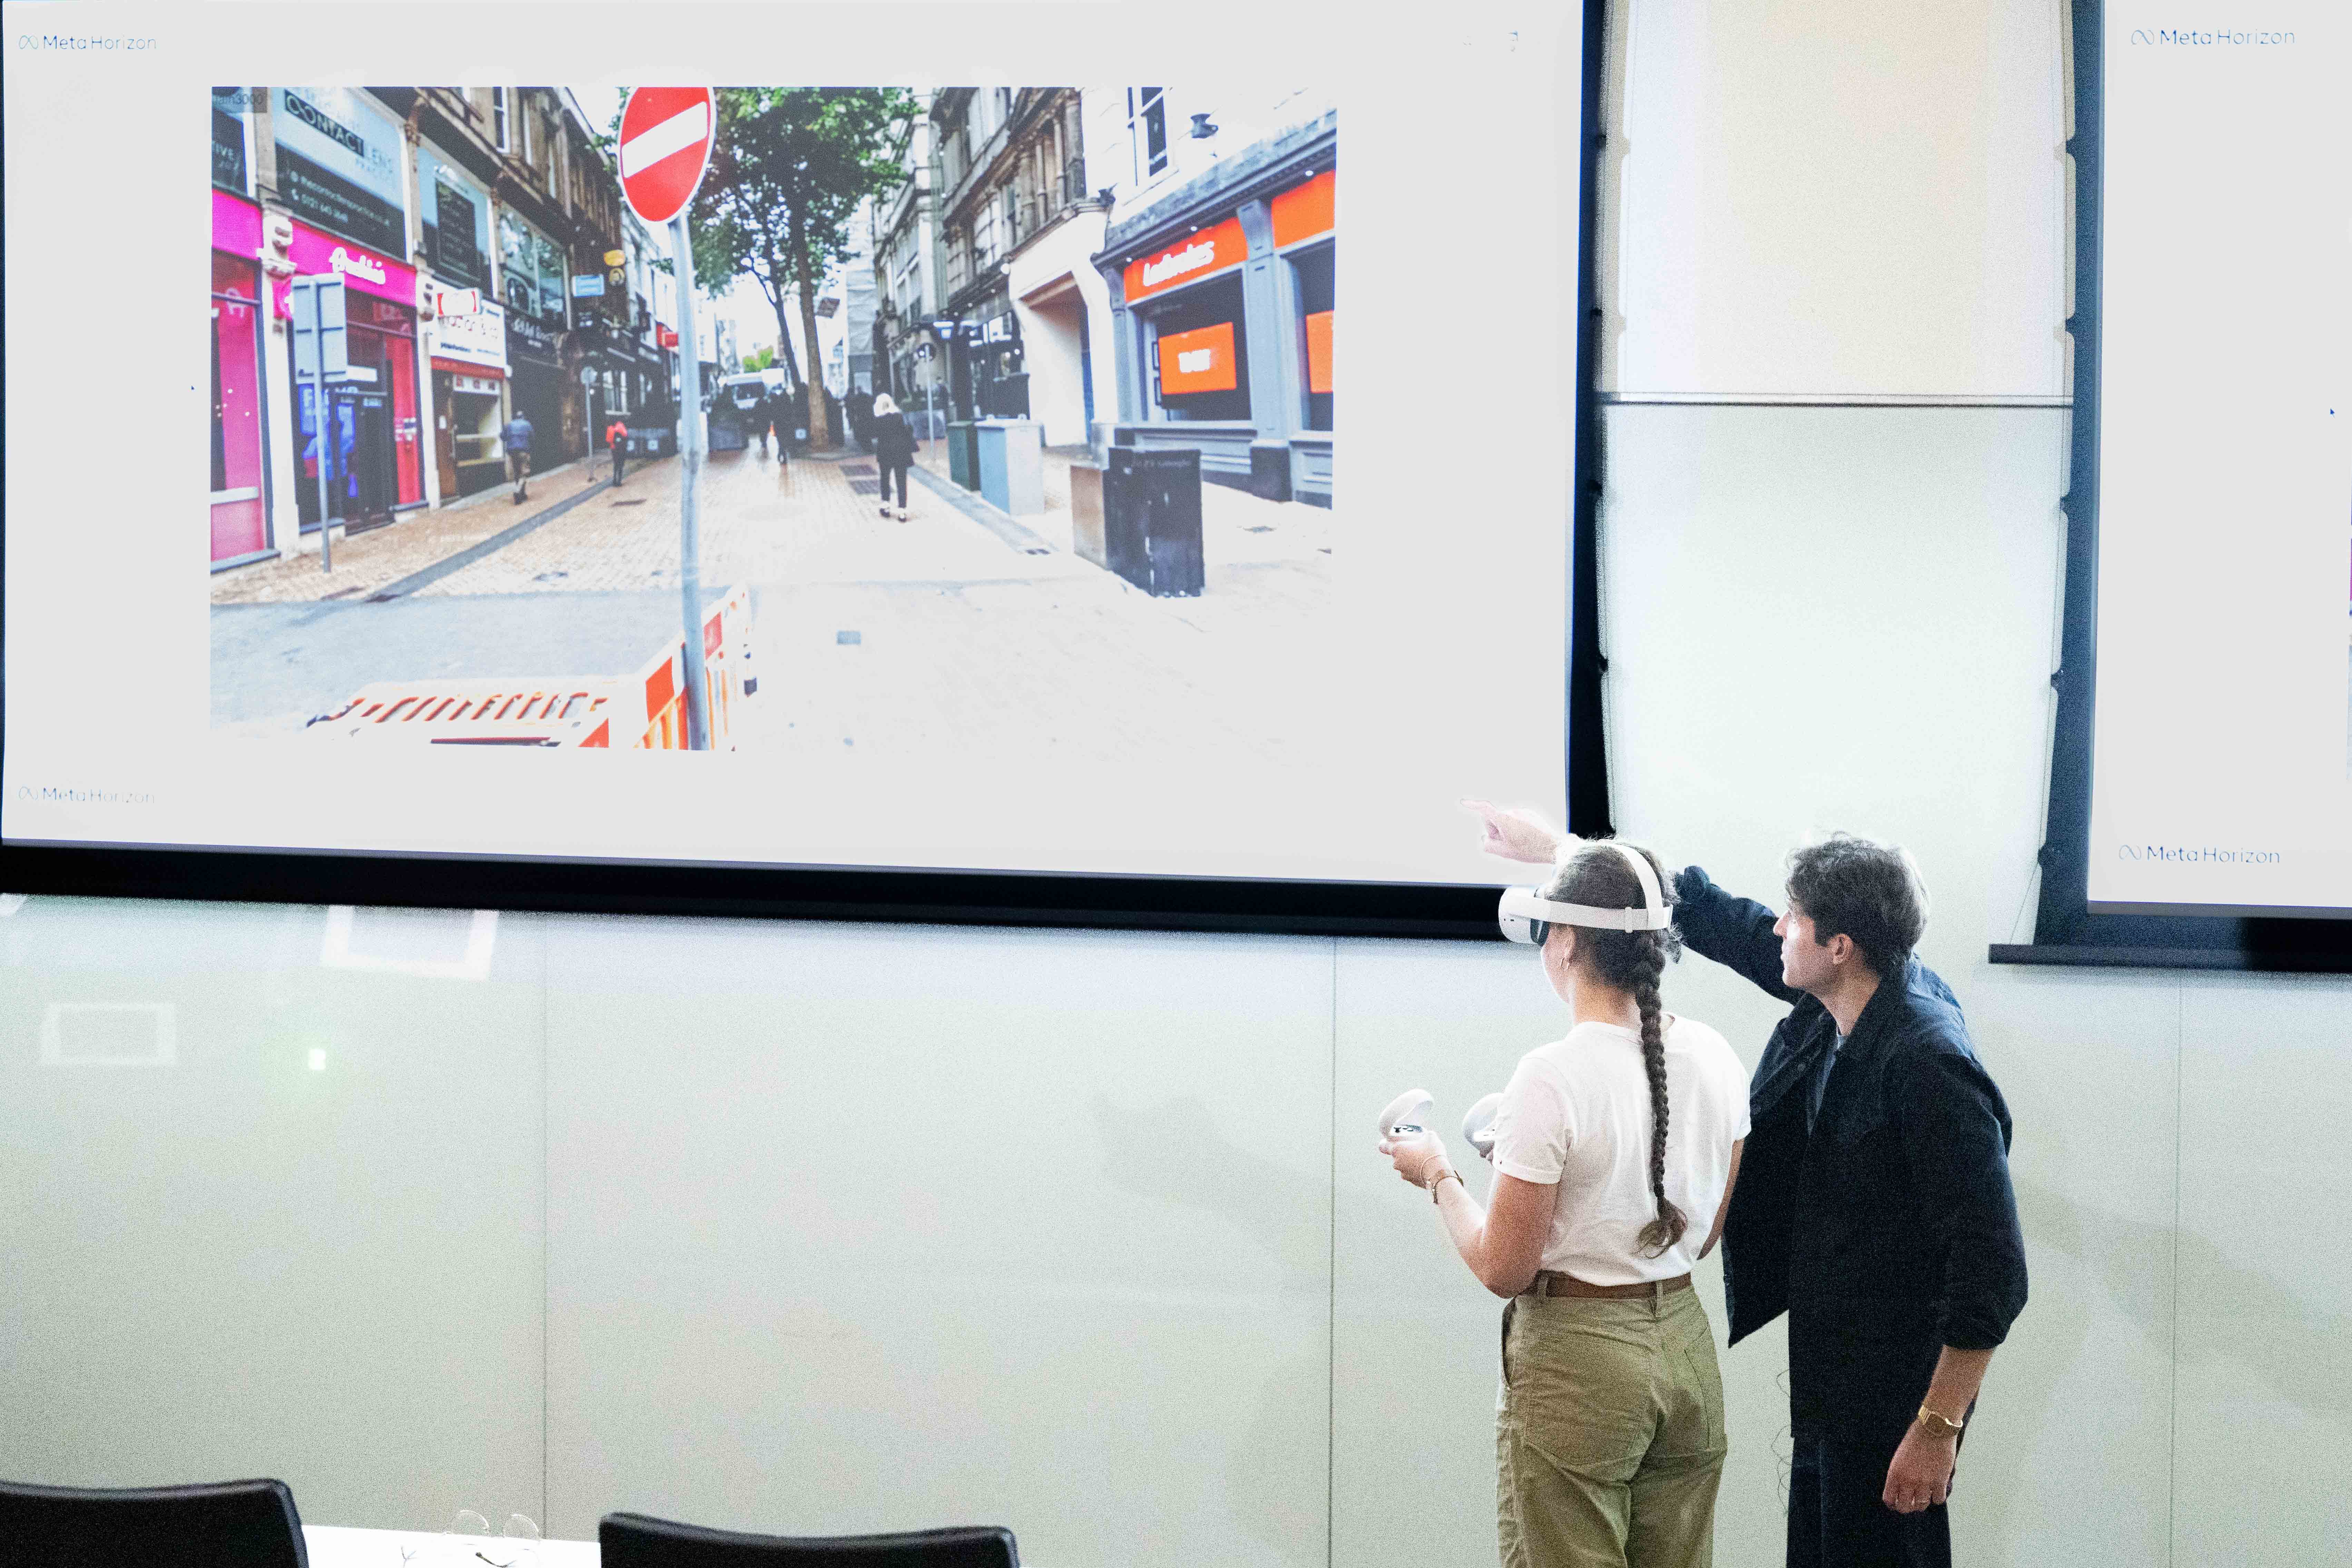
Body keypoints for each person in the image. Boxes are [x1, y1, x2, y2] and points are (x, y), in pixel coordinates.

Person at [1472, 805, 2028, 1568]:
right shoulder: (1840, 995)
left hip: (1893, 1396)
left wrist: (1937, 1427)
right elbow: (1722, 917)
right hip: (1828, 1377)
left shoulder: (1926, 1059)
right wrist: (1566, 853)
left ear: (1840, 945)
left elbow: (1993, 1268)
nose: (1776, 928)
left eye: (1793, 918)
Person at [1380, 835, 1749, 1568]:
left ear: (1566, 940)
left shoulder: (1551, 1075)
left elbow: (1503, 1268)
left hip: (1582, 1368)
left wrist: (1440, 1177)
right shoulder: (1715, 1053)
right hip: (1686, 1350)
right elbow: (1700, 1232)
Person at [869, 393, 915, 522]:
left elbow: (874, 435)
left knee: (885, 479)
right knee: (901, 481)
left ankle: (886, 506)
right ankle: (902, 511)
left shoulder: (878, 420)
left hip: (885, 453)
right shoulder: (899, 417)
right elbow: (908, 431)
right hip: (901, 452)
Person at [500, 409, 534, 503]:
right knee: (525, 473)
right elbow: (532, 437)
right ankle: (518, 491)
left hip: (512, 452)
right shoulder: (527, 424)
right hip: (523, 451)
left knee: (517, 473)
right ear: (523, 417)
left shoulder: (509, 425)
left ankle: (522, 494)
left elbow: (502, 437)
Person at [604, 415, 629, 486]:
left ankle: (615, 480)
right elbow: (626, 435)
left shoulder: (610, 429)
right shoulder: (621, 426)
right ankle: (619, 481)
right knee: (621, 465)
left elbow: (608, 440)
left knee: (616, 464)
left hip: (614, 449)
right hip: (621, 449)